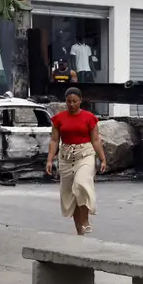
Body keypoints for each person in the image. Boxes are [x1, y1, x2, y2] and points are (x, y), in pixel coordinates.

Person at [47, 87, 108, 235]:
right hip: (66, 156)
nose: (72, 104)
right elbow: (54, 140)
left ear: (80, 101)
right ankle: (79, 231)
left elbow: (95, 140)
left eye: (75, 101)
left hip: (85, 154)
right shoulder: (59, 119)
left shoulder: (89, 117)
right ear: (65, 102)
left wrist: (102, 158)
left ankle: (85, 220)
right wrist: (49, 160)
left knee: (81, 184)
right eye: (69, 102)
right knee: (70, 194)